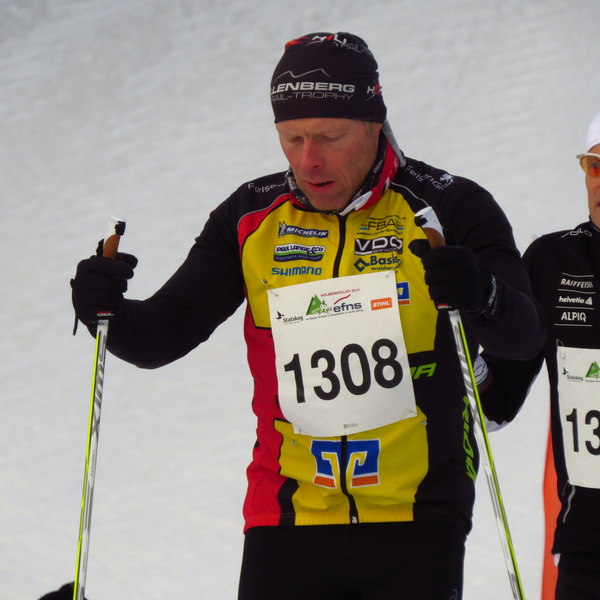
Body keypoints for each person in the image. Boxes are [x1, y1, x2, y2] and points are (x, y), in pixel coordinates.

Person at [70, 32, 544, 600]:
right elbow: (161, 335)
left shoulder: (451, 206)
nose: (307, 160)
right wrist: (105, 310)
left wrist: (481, 292)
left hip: (419, 512)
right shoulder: (251, 216)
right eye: (291, 138)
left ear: (374, 123)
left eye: (329, 137)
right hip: (286, 513)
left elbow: (525, 337)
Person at [479, 111, 600, 600]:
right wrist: (462, 326)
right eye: (595, 166)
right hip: (588, 548)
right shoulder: (554, 261)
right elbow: (496, 403)